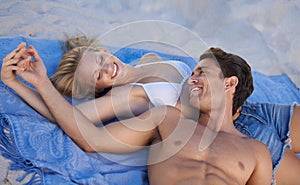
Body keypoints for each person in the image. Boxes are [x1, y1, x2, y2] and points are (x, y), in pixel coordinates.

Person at [2, 46, 273, 184]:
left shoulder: (152, 58)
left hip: (238, 118)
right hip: (214, 128)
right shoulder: (140, 105)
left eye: (100, 59)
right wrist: (32, 83)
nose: (106, 69)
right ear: (96, 88)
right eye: (97, 76)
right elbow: (78, 124)